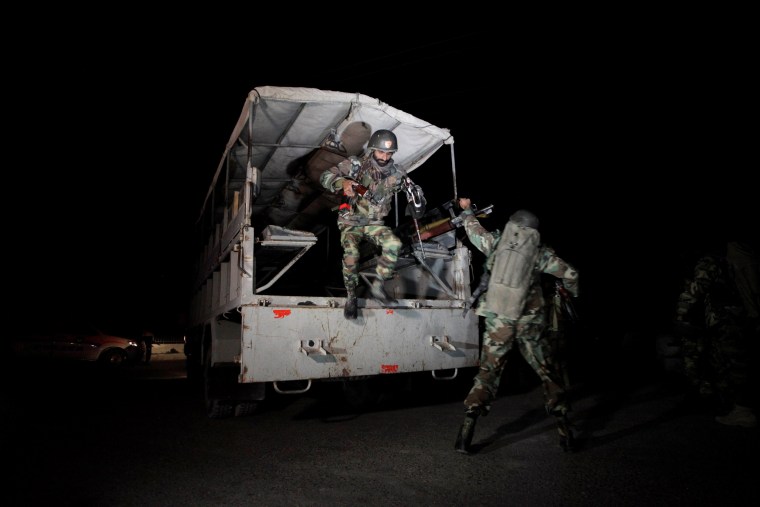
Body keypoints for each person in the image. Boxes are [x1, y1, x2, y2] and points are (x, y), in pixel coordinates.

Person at [453, 199, 580, 454]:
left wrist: (467, 211)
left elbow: (475, 233)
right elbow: (571, 274)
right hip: (529, 322)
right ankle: (565, 432)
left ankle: (467, 428)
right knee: (547, 372)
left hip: (498, 318)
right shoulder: (539, 251)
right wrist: (570, 293)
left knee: (488, 372)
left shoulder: (499, 243)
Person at [320, 129, 409, 320]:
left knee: (393, 244)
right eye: (381, 152)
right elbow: (325, 177)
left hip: (374, 223)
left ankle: (378, 287)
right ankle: (351, 296)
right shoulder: (355, 164)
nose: (384, 157)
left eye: (389, 153)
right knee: (351, 255)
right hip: (350, 222)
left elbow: (409, 189)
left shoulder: (397, 172)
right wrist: (342, 182)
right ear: (372, 150)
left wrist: (415, 197)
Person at [673, 239, 759, 427]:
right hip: (733, 316)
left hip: (727, 318)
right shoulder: (726, 260)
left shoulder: (709, 261)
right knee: (730, 362)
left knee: (735, 363)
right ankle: (734, 406)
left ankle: (743, 410)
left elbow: (697, 289)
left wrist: (680, 313)